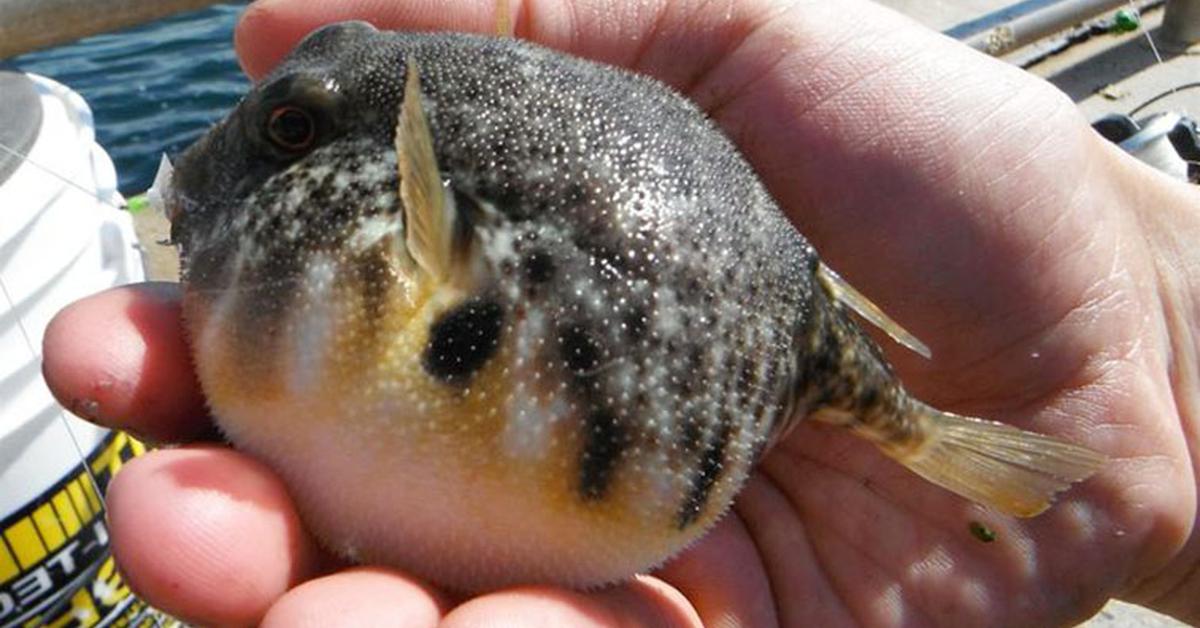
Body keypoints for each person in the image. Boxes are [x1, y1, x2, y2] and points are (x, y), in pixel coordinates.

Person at [40, 0, 1200, 625]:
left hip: (695, 400)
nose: (216, 170)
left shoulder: (420, 222)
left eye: (288, 134)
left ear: (403, 192)